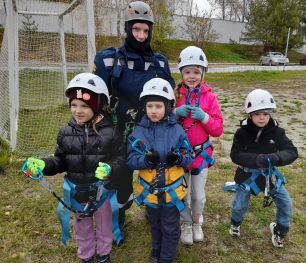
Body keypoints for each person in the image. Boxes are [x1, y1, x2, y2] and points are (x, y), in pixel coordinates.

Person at [24, 73, 127, 263]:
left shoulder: (111, 132)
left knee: (104, 225)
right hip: (78, 191)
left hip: (102, 192)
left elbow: (121, 158)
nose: (78, 111)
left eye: (85, 106)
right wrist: (44, 165)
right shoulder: (65, 132)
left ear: (97, 106)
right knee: (81, 226)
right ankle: (86, 255)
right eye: (74, 105)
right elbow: (61, 160)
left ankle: (104, 254)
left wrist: (111, 168)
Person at [93, 0, 175, 228]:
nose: (140, 35)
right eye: (136, 29)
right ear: (128, 29)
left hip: (150, 131)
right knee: (120, 178)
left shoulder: (159, 62)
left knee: (155, 172)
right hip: (118, 130)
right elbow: (97, 100)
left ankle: (154, 209)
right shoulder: (108, 59)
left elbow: (169, 99)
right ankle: (117, 219)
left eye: (145, 30)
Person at [127, 78, 194, 263]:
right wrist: (145, 161)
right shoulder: (138, 132)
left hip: (171, 192)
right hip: (150, 193)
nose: (153, 111)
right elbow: (131, 160)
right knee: (155, 225)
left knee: (170, 226)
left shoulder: (178, 131)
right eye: (150, 106)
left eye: (158, 106)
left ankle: (167, 257)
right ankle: (156, 250)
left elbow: (189, 157)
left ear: (168, 106)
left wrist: (179, 158)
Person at [228, 88, 298, 248]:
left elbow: (292, 151)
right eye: (257, 114)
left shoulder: (278, 132)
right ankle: (235, 223)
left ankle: (280, 230)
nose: (262, 117)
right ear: (249, 114)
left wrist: (276, 157)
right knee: (239, 205)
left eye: (266, 114)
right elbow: (235, 154)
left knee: (286, 203)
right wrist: (255, 159)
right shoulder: (241, 133)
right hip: (247, 176)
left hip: (270, 175)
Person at [174, 46, 224, 245]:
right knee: (181, 193)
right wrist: (175, 113)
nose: (192, 76)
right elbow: (163, 121)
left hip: (201, 155)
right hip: (179, 155)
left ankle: (196, 222)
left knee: (198, 197)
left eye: (196, 71)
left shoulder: (209, 97)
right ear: (181, 73)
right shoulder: (175, 96)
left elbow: (218, 129)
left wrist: (204, 117)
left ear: (203, 73)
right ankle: (185, 223)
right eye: (187, 71)